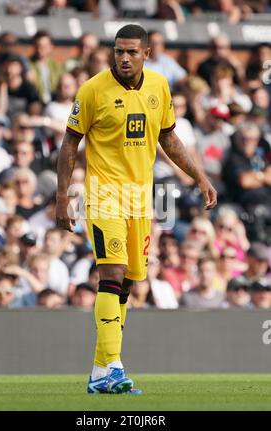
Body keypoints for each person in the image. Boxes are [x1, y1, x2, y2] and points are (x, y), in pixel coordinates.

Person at [56, 24, 217, 395]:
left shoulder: (159, 86)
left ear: (146, 53)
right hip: (103, 194)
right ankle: (114, 365)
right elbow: (70, 142)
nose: (123, 58)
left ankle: (100, 371)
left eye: (131, 52)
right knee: (110, 274)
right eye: (118, 51)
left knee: (128, 281)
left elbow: (168, 137)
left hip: (141, 200)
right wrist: (63, 196)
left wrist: (199, 176)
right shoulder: (93, 90)